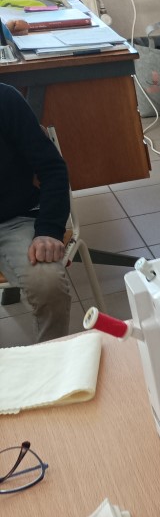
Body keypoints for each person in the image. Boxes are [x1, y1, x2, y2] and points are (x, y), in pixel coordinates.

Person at [0, 82, 72, 343]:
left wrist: (49, 230)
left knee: (48, 283)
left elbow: (52, 169)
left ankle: (53, 359)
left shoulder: (5, 99)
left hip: (14, 220)